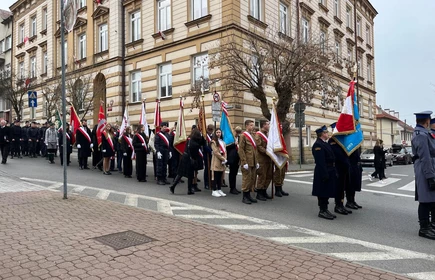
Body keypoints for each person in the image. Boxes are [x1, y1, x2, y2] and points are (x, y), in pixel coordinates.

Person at [412, 111, 435, 240]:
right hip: (425, 169)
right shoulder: (420, 134)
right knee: (425, 200)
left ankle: (428, 226)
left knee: (430, 200)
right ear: (427, 121)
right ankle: (424, 228)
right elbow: (425, 157)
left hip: (429, 168)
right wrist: (430, 176)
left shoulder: (424, 133)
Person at [312, 125, 337, 220]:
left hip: (329, 170)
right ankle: (322, 210)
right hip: (323, 171)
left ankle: (325, 209)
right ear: (322, 134)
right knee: (322, 191)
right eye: (326, 132)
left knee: (327, 191)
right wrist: (325, 174)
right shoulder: (318, 145)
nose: (328, 134)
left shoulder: (325, 144)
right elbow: (320, 161)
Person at [170, 129, 204, 195]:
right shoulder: (195, 144)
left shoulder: (189, 139)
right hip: (190, 159)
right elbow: (199, 148)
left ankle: (173, 186)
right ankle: (189, 189)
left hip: (184, 157)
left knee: (180, 173)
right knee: (190, 175)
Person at [328, 123, 352, 215]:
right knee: (339, 188)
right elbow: (337, 155)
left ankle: (341, 204)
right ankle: (338, 205)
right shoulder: (332, 141)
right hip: (337, 168)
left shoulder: (341, 140)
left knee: (343, 187)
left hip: (344, 167)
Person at [238, 120, 259, 204]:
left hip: (253, 161)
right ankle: (245, 197)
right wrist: (244, 162)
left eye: (253, 125)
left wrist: (256, 161)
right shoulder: (243, 136)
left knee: (252, 179)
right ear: (246, 126)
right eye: (250, 125)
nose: (252, 127)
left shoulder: (252, 136)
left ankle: (249, 195)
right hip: (247, 161)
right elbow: (241, 150)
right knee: (246, 179)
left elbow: (254, 150)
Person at [254, 120, 273, 201]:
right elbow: (259, 146)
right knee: (262, 176)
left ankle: (264, 190)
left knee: (269, 175)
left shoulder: (268, 134)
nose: (269, 125)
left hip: (268, 159)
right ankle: (259, 193)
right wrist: (267, 152)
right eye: (268, 124)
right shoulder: (258, 135)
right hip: (262, 158)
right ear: (263, 125)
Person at [210, 128, 227, 197]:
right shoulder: (213, 142)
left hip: (222, 161)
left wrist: (225, 159)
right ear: (215, 133)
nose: (218, 134)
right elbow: (216, 152)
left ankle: (219, 189)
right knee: (215, 176)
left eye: (219, 132)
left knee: (220, 176)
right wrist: (223, 158)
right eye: (217, 132)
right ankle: (214, 190)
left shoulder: (223, 142)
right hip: (216, 160)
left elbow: (225, 151)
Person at [203, 124, 214, 189]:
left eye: (212, 130)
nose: (210, 131)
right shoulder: (205, 136)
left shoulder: (212, 136)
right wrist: (210, 151)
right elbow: (205, 146)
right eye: (210, 130)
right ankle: (206, 183)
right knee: (207, 169)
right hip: (206, 154)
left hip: (212, 154)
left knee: (211, 169)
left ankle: (211, 181)